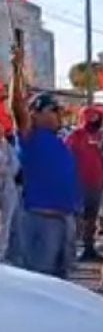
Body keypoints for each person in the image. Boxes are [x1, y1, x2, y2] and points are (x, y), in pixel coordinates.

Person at [10, 43, 82, 279]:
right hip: (40, 219)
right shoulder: (30, 137)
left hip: (65, 219)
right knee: (41, 280)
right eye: (53, 110)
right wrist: (16, 69)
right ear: (36, 114)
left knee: (63, 281)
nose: (59, 115)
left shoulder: (59, 140)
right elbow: (16, 106)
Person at [66, 107, 103, 262]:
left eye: (97, 117)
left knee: (92, 217)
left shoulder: (102, 136)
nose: (94, 120)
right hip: (79, 182)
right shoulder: (76, 136)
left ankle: (89, 248)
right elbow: (67, 156)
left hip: (96, 181)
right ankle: (71, 250)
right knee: (77, 218)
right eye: (91, 117)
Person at [0, 128, 20, 262]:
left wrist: (5, 170)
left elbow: (15, 166)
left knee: (7, 221)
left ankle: (2, 252)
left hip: (7, 185)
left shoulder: (6, 146)